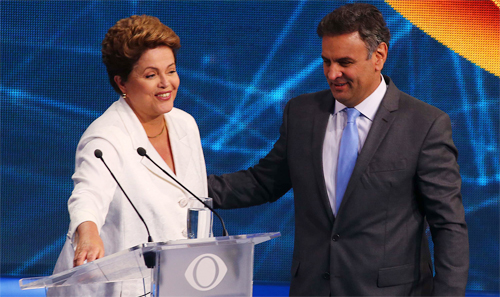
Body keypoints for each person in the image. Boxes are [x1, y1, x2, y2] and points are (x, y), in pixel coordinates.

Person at [208, 3, 469, 296]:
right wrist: (180, 188)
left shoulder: (424, 124)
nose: (333, 74)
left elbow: (448, 225)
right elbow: (263, 182)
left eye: (344, 62)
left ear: (379, 56)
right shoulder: (302, 113)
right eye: (326, 62)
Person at [49, 15, 207, 296]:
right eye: (150, 75)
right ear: (122, 83)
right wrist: (87, 232)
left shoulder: (185, 124)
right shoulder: (105, 137)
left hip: (179, 279)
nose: (165, 83)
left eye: (170, 71)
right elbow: (88, 193)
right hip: (116, 287)